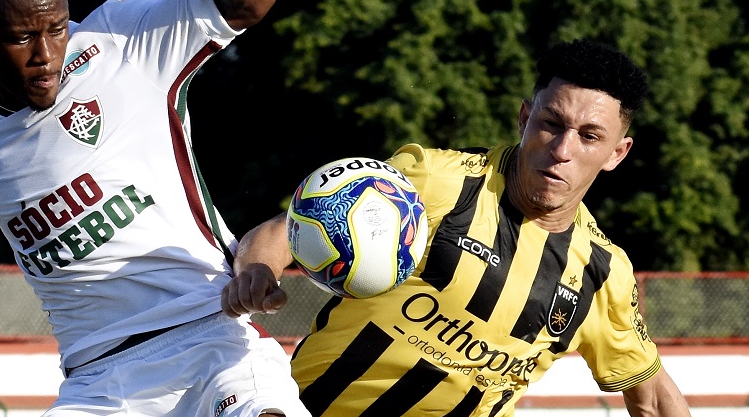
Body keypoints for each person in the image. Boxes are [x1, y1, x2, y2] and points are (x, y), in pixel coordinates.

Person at [0, 0, 308, 416]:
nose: (45, 55)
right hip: (97, 378)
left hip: (211, 336)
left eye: (57, 28)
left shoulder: (122, 42)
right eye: (21, 37)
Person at [222, 39, 692, 416]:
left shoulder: (603, 273)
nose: (562, 150)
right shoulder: (436, 181)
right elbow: (295, 224)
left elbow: (651, 398)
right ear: (525, 119)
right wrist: (257, 269)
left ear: (616, 153)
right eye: (551, 124)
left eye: (589, 136)